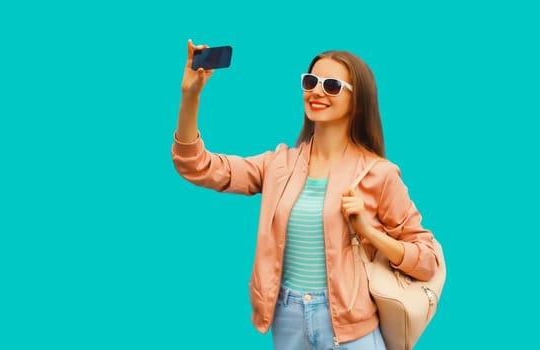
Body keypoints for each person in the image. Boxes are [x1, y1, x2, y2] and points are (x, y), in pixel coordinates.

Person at [172, 39, 439, 350]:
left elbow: (427, 259)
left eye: (333, 86)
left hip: (350, 328)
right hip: (287, 319)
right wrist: (190, 97)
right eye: (311, 81)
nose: (317, 92)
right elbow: (197, 166)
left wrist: (369, 232)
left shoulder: (378, 173)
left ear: (358, 102)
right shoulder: (278, 165)